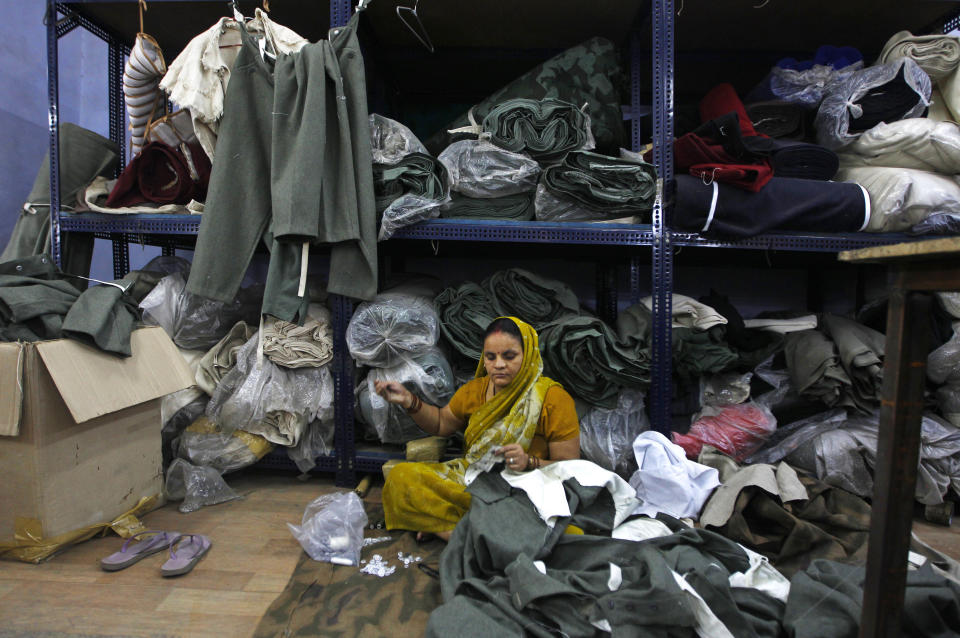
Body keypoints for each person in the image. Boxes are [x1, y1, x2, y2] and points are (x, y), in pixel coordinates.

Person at [375, 316, 580, 541]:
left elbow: (569, 469)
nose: (498, 365)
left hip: (524, 488)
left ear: (528, 354)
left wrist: (529, 462)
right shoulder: (475, 390)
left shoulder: (552, 399)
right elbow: (442, 423)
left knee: (560, 527)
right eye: (491, 357)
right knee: (401, 477)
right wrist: (409, 401)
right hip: (473, 479)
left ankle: (446, 527)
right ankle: (472, 535)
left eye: (509, 356)